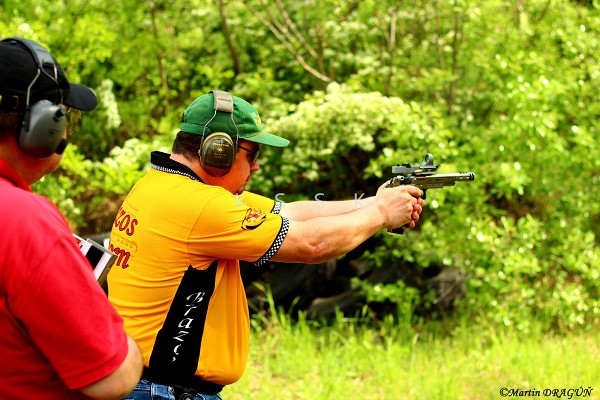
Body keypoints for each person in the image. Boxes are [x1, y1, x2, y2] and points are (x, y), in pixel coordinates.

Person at [107, 90, 424, 399]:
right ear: (219, 151)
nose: (256, 166)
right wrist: (382, 215)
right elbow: (312, 244)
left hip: (144, 383)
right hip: (164, 391)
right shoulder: (202, 206)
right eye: (252, 154)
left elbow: (290, 212)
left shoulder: (161, 185)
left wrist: (376, 202)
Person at [0, 37, 143, 399]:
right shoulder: (25, 221)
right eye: (64, 116)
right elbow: (111, 378)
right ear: (42, 126)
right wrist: (128, 345)